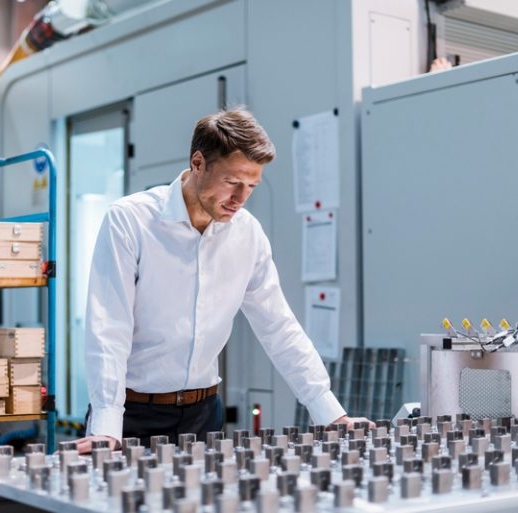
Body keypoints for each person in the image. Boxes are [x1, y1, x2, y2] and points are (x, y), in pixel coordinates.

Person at [76, 108, 370, 454]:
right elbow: (109, 328)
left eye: (252, 186)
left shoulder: (247, 234)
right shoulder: (131, 221)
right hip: (132, 416)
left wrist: (329, 412)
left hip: (203, 417)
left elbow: (278, 326)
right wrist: (108, 426)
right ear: (198, 163)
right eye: (232, 183)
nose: (241, 199)